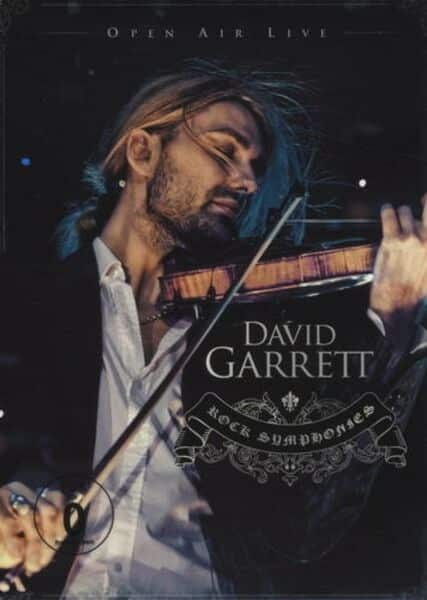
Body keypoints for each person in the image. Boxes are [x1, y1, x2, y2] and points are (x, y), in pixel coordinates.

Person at [0, 61, 427, 597]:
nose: (247, 182)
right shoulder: (26, 306)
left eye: (254, 167)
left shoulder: (251, 329)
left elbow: (308, 524)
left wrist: (394, 325)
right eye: (225, 151)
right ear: (142, 152)